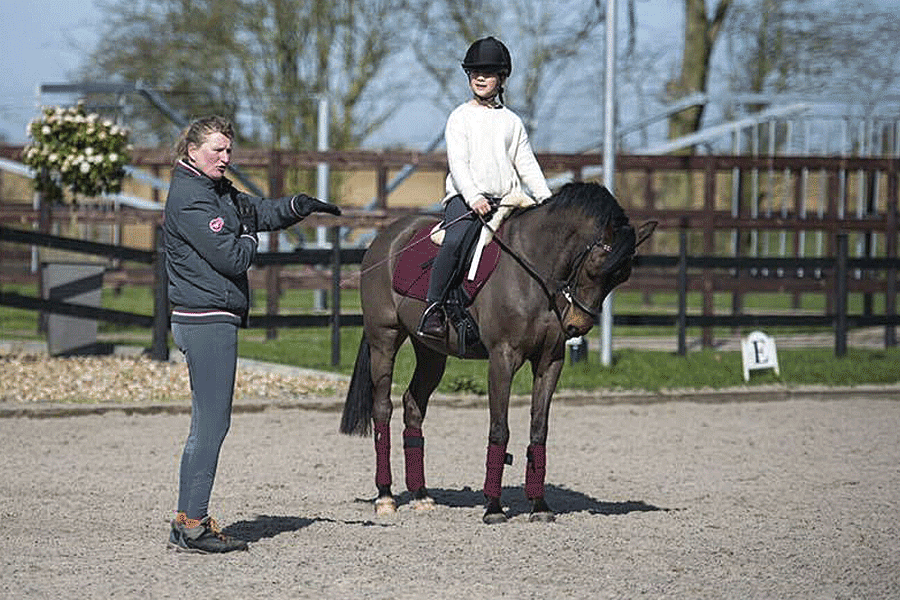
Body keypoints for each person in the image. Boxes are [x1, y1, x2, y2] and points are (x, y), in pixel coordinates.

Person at [164, 115, 341, 553]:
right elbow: (233, 256)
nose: (225, 158)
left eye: (228, 151)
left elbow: (254, 212)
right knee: (211, 425)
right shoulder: (191, 198)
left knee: (208, 423)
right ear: (192, 151)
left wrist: (297, 206)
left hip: (211, 315)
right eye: (217, 151)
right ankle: (192, 525)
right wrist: (249, 237)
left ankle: (187, 520)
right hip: (205, 318)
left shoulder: (213, 188)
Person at [418, 36, 552, 338]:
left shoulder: (512, 122)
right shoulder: (459, 118)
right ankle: (433, 308)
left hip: (506, 201)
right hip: (466, 201)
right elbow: (459, 165)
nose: (480, 77)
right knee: (453, 243)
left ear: (501, 78)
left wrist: (546, 200)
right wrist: (474, 196)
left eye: (488, 73)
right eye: (475, 72)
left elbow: (526, 164)